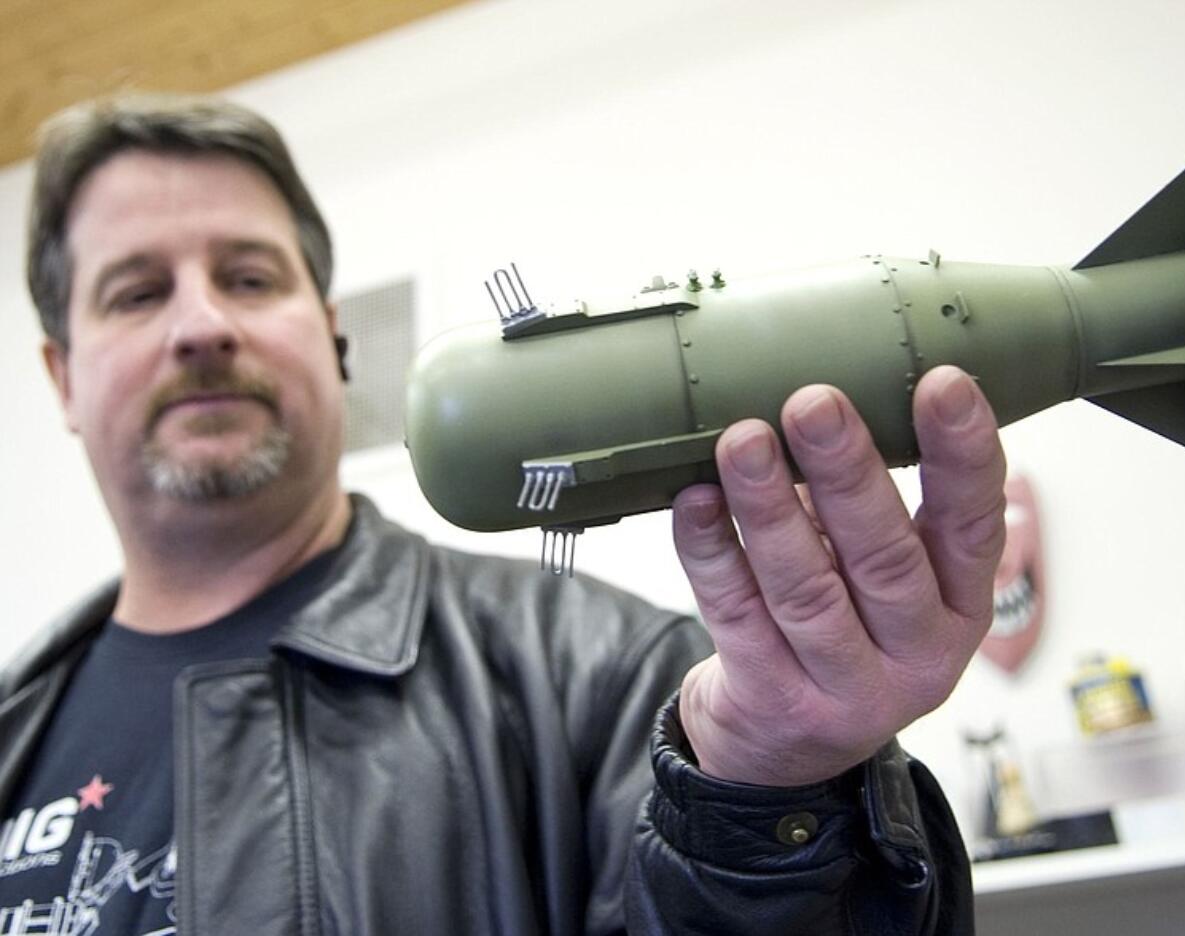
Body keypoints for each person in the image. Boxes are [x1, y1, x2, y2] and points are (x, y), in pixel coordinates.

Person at [0, 93, 1005, 935]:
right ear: (62, 377)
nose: (204, 326)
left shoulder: (622, 684)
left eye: (249, 277)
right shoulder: (15, 736)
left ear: (332, 335)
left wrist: (771, 810)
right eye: (136, 293)